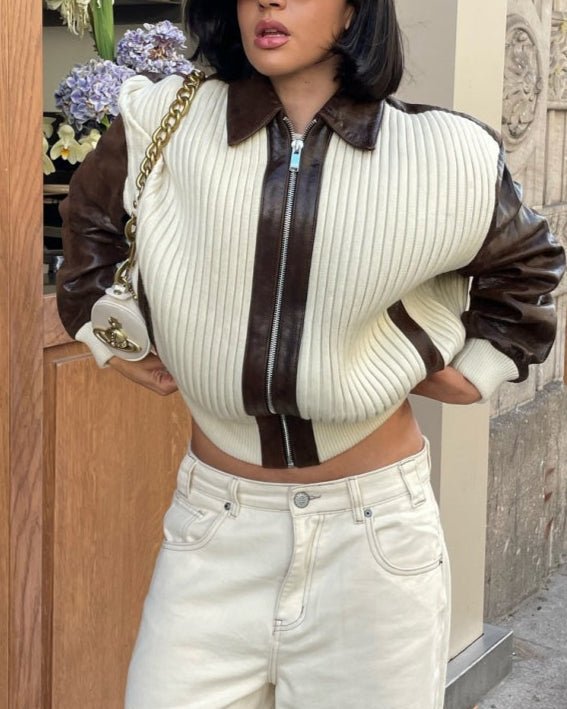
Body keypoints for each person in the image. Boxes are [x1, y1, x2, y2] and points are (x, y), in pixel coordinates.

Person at [56, 0, 566, 707]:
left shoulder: (446, 152)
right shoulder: (162, 120)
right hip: (214, 530)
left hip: (373, 543)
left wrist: (472, 372)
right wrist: (111, 339)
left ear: (354, 9)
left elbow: (527, 267)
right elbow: (87, 228)